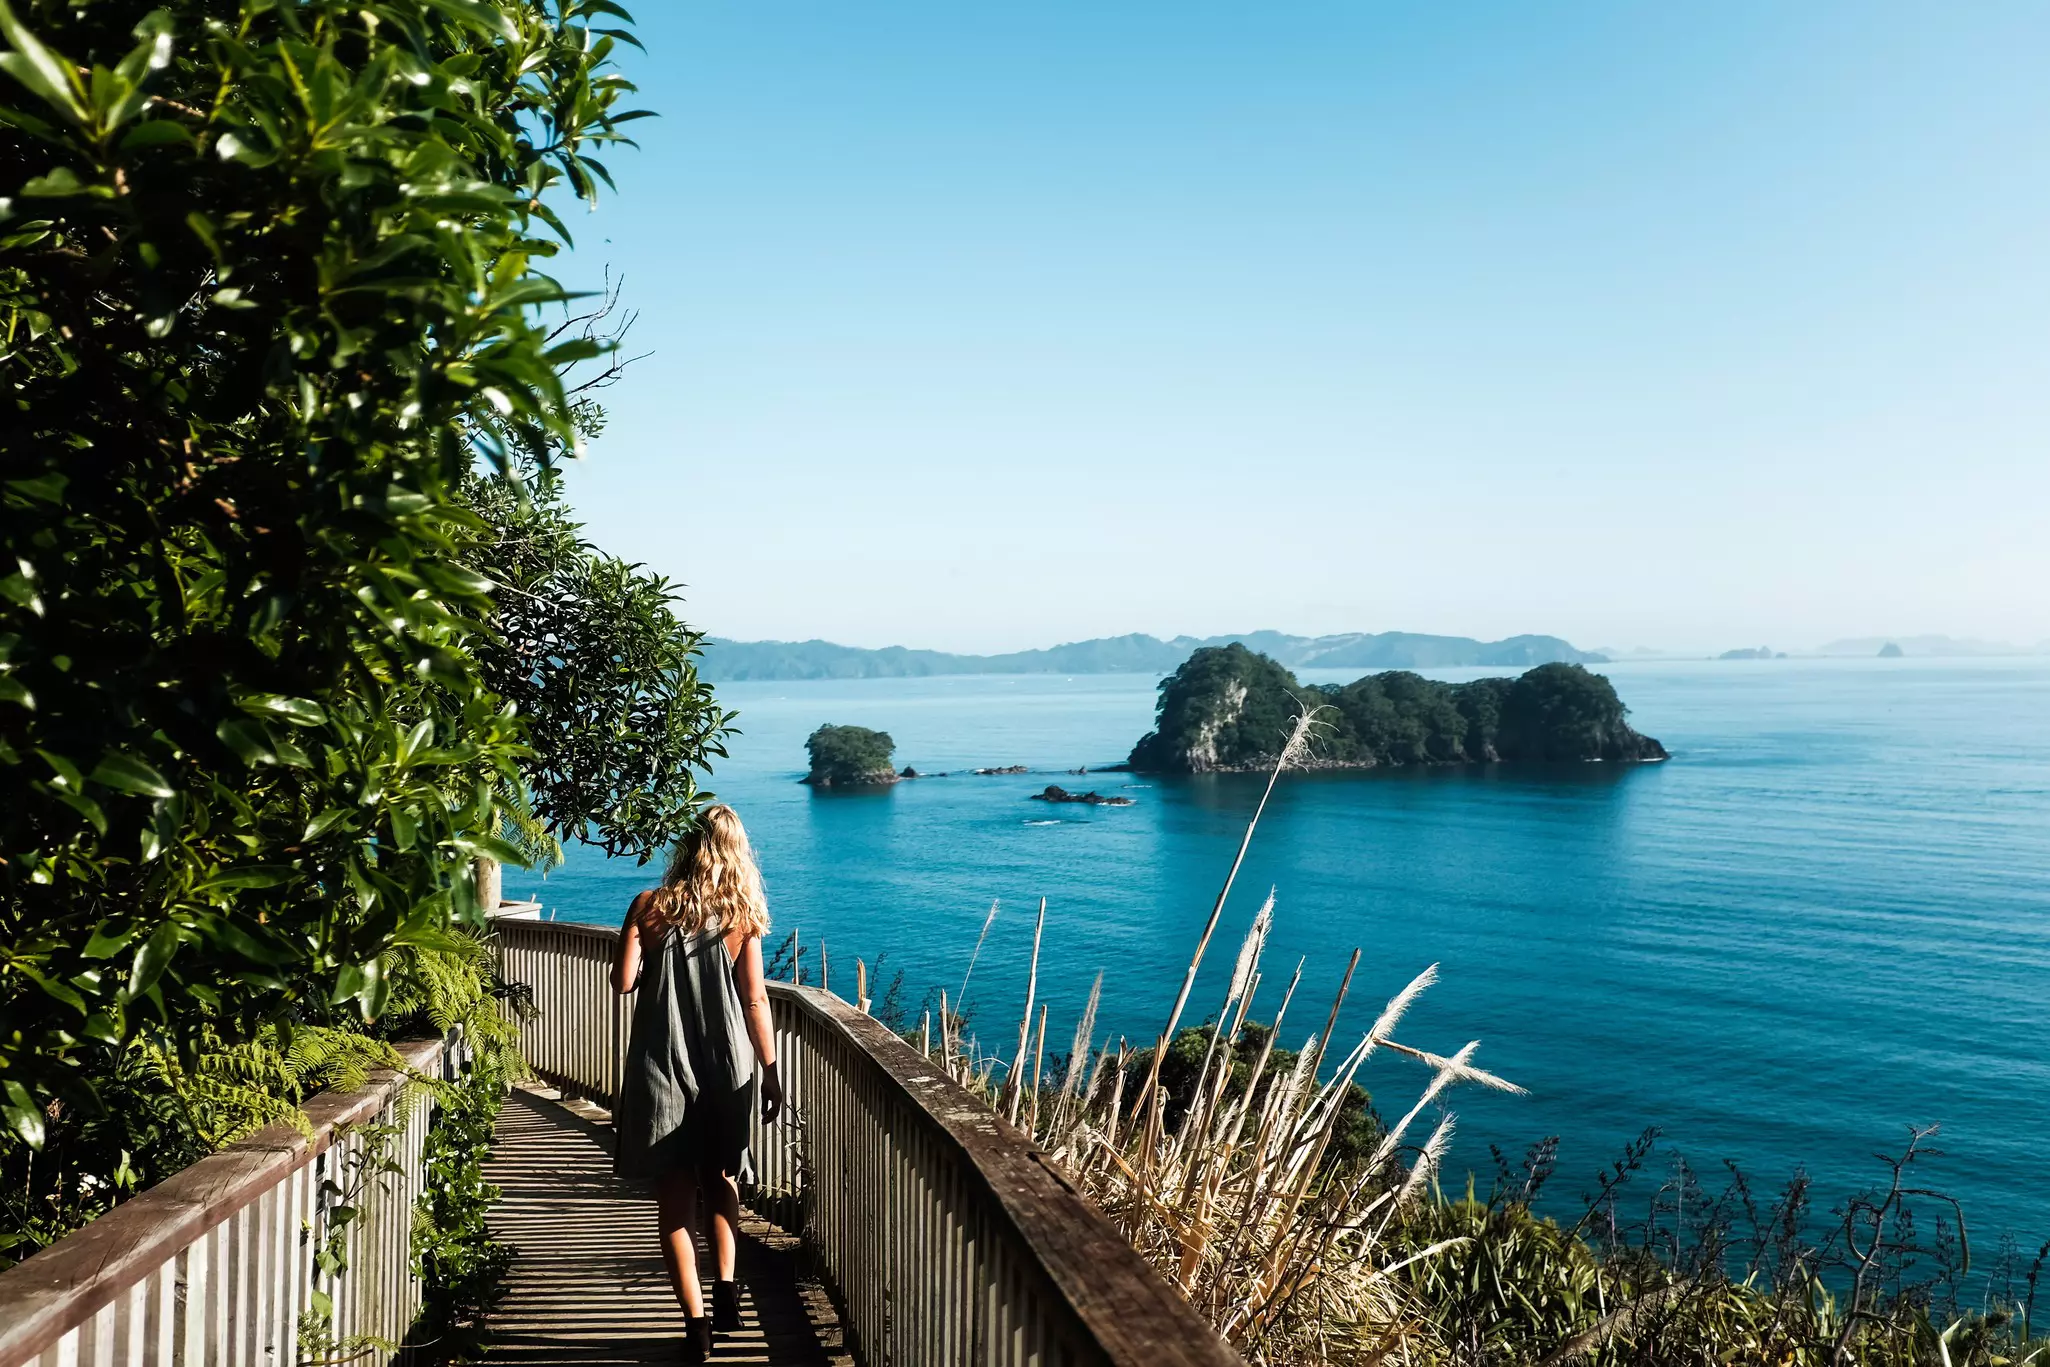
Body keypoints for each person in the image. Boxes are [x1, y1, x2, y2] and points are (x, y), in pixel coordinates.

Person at [612, 804, 785, 1362]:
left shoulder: (648, 905)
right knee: (721, 1178)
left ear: (686, 847)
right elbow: (755, 999)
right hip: (727, 1065)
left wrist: (652, 958)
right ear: (736, 851)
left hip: (661, 1065)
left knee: (674, 1202)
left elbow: (624, 982)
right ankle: (728, 1290)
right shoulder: (741, 916)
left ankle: (696, 1327)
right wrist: (771, 1072)